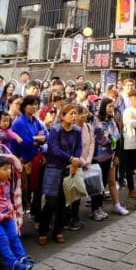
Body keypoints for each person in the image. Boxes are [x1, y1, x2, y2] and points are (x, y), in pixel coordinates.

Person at [37, 104, 83, 245]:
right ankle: (43, 231)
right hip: (54, 168)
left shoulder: (77, 130)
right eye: (71, 114)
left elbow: (79, 147)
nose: (74, 116)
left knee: (65, 202)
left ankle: (58, 231)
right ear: (62, 116)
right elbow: (54, 149)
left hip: (69, 168)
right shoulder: (55, 130)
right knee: (51, 201)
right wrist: (71, 159)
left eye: (75, 113)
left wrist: (74, 163)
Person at [9, 95, 47, 221]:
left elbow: (45, 135)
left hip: (36, 158)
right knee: (24, 190)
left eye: (36, 104)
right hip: (24, 160)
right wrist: (38, 140)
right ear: (24, 106)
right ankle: (19, 218)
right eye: (31, 104)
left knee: (38, 188)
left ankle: (35, 214)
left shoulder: (36, 121)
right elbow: (24, 142)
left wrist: (38, 140)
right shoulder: (19, 122)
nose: (34, 106)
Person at [94, 99, 129, 216]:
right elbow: (100, 139)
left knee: (110, 181)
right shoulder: (97, 121)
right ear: (104, 106)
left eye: (112, 107)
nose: (111, 109)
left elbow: (118, 138)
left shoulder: (113, 121)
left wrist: (117, 155)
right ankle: (96, 209)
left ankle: (116, 205)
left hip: (111, 156)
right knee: (99, 183)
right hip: (99, 157)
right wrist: (111, 138)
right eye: (109, 106)